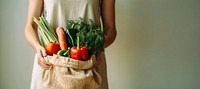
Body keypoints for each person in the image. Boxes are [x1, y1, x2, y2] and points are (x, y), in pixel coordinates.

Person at [24, 0, 117, 89]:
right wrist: (38, 47)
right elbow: (30, 26)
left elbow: (110, 28)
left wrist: (97, 46)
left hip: (91, 65)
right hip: (50, 64)